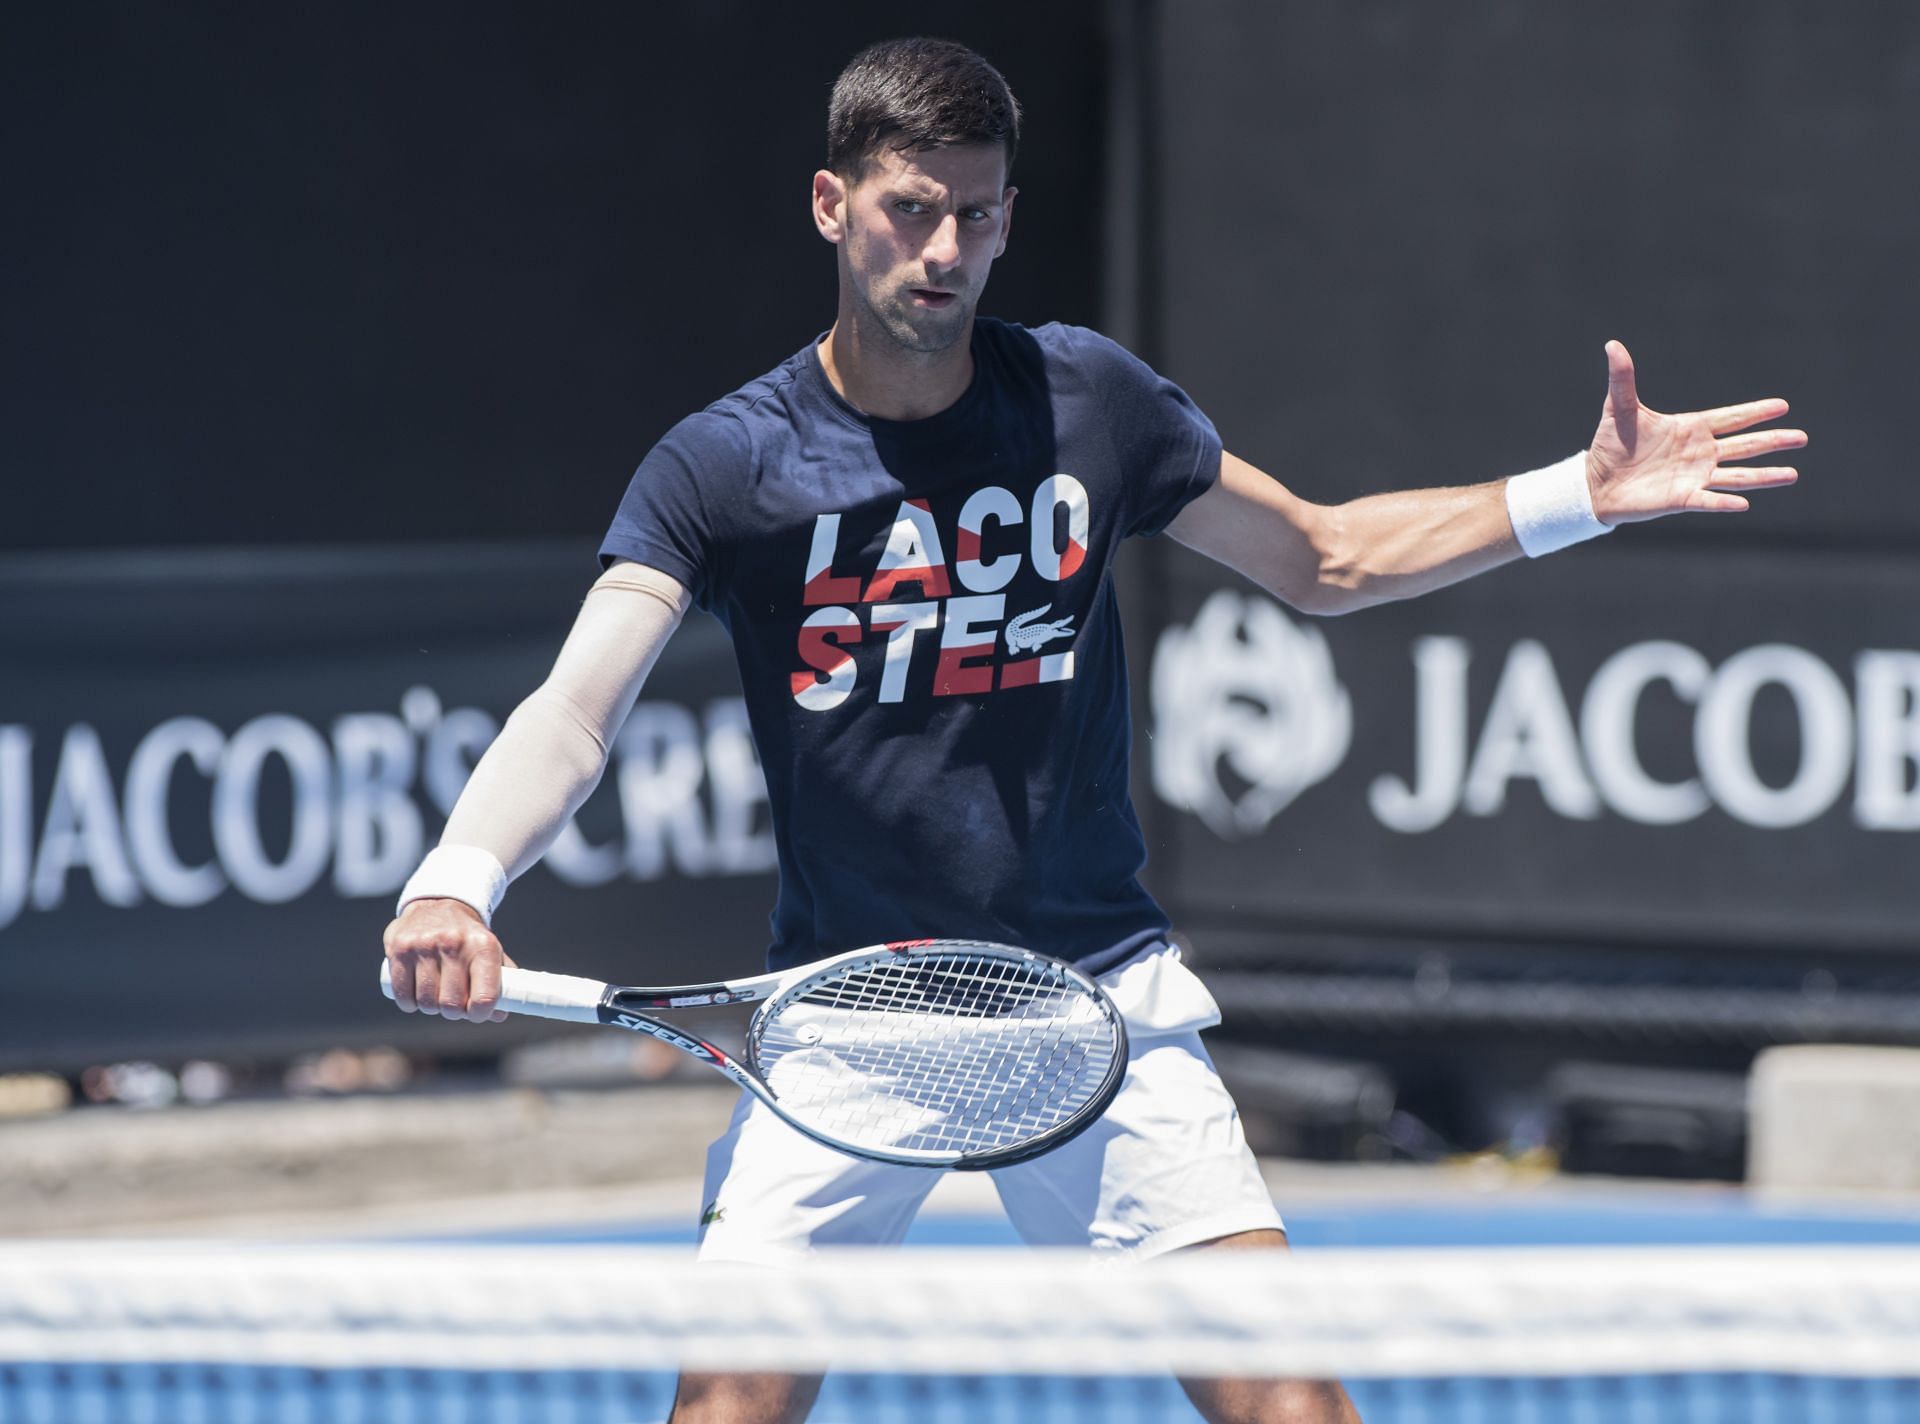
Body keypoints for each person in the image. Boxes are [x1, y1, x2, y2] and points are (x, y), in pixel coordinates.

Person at [380, 36, 1803, 1424]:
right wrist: (460, 875)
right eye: (908, 209)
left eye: (976, 215)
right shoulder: (727, 463)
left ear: (1009, 220)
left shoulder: (1086, 401)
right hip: (847, 1017)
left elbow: (1324, 556)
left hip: (1097, 1004)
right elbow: (579, 708)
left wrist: (1576, 495)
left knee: (1288, 1400)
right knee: (733, 1399)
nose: (942, 251)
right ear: (833, 205)